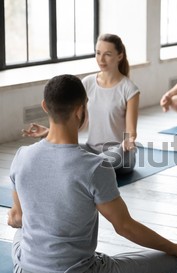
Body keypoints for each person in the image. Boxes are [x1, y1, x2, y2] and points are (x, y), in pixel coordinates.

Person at [7, 74, 177, 273]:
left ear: (45, 106)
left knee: (23, 231)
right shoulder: (95, 167)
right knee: (169, 263)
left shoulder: (21, 156)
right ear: (81, 110)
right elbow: (124, 227)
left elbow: (16, 218)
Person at [22, 33, 139, 175]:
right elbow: (73, 119)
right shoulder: (87, 83)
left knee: (95, 160)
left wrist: (128, 141)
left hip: (120, 152)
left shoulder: (129, 89)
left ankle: (87, 165)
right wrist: (49, 132)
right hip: (91, 150)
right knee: (71, 153)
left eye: (107, 54)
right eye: (98, 53)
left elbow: (131, 130)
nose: (101, 59)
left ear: (119, 56)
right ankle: (88, 165)